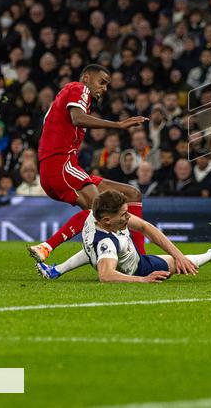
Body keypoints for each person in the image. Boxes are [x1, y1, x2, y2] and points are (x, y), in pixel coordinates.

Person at [26, 64, 148, 268]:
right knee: (103, 211)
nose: (104, 88)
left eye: (107, 85)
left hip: (59, 167)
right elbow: (77, 118)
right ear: (86, 78)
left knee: (131, 194)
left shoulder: (71, 97)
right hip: (61, 165)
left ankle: (139, 258)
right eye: (101, 82)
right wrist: (118, 125)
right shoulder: (77, 88)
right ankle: (48, 246)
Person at [36, 189, 211, 282]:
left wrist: (178, 253)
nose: (128, 217)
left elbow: (146, 228)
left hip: (96, 250)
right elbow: (106, 276)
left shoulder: (93, 216)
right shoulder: (107, 244)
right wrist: (143, 279)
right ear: (107, 220)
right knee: (183, 265)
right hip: (139, 266)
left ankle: (57, 271)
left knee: (90, 251)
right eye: (124, 214)